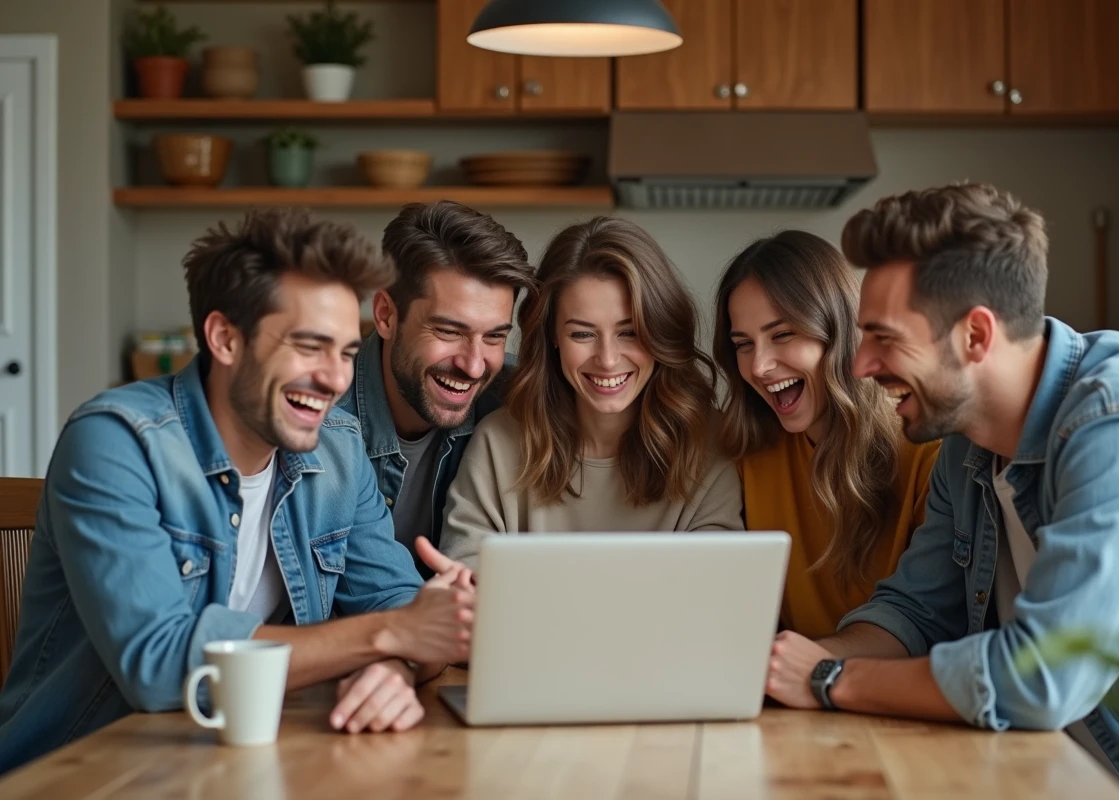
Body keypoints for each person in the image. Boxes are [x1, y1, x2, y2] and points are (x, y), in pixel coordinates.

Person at [0, 209, 474, 774]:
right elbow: (159, 663)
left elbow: (402, 607)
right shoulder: (115, 442)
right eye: (307, 346)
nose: (335, 379)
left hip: (252, 768)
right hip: (81, 776)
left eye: (347, 352)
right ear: (225, 338)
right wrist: (394, 635)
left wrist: (391, 668)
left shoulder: (339, 452)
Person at [767, 183, 1119, 797]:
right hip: (1045, 771)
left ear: (975, 335)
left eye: (883, 337)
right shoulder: (966, 443)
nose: (860, 364)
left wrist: (832, 678)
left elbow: (1044, 677)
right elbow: (915, 612)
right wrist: (789, 665)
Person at [439, 217, 744, 567]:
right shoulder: (498, 443)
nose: (608, 360)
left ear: (660, 333)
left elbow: (715, 596)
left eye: (629, 332)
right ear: (552, 336)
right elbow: (464, 594)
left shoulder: (711, 444)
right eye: (582, 334)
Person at [712, 231, 940, 653]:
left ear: (840, 330)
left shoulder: (927, 448)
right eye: (743, 344)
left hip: (889, 697)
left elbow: (928, 619)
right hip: (788, 696)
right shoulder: (745, 454)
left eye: (782, 335)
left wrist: (815, 663)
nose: (759, 366)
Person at [336, 201, 534, 577]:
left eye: (494, 337)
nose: (474, 365)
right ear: (386, 315)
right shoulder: (320, 416)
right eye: (449, 331)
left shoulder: (518, 399)